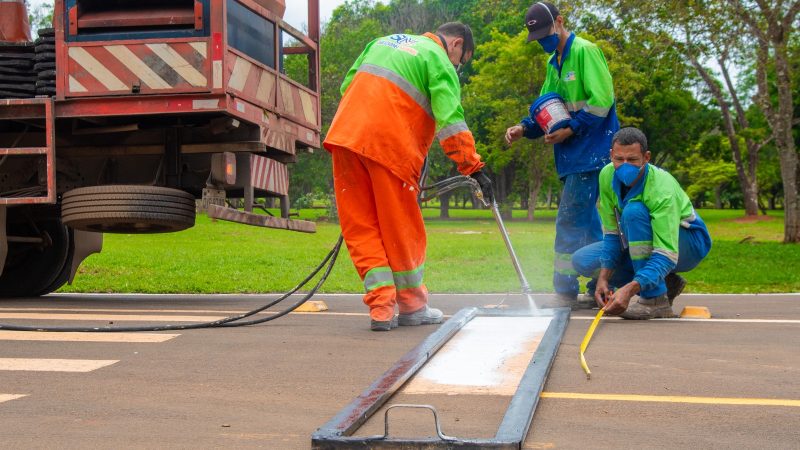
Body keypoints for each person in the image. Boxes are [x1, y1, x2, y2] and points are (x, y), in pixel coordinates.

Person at [324, 23, 491, 331]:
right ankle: (412, 305)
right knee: (400, 226)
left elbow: (347, 86)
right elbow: (451, 120)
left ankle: (381, 310)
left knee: (361, 226)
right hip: (389, 146)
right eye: (461, 61)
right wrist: (473, 167)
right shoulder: (438, 59)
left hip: (346, 137)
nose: (458, 67)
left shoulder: (382, 41)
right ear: (455, 44)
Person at [505, 2, 619, 309]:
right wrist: (524, 128)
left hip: (591, 152)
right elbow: (548, 107)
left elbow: (601, 102)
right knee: (591, 224)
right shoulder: (553, 62)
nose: (543, 41)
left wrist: (571, 130)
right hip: (571, 156)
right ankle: (604, 284)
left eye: (546, 33)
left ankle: (565, 291)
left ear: (560, 21)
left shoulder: (584, 51)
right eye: (537, 37)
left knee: (569, 221)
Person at [571, 127, 712, 319]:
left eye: (633, 160)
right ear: (611, 155)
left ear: (646, 157)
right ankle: (663, 280)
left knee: (633, 212)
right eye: (619, 159)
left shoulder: (662, 188)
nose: (625, 165)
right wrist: (604, 280)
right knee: (583, 260)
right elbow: (613, 235)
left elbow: (666, 253)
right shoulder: (606, 175)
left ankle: (654, 300)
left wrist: (629, 290)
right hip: (640, 239)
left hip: (687, 243)